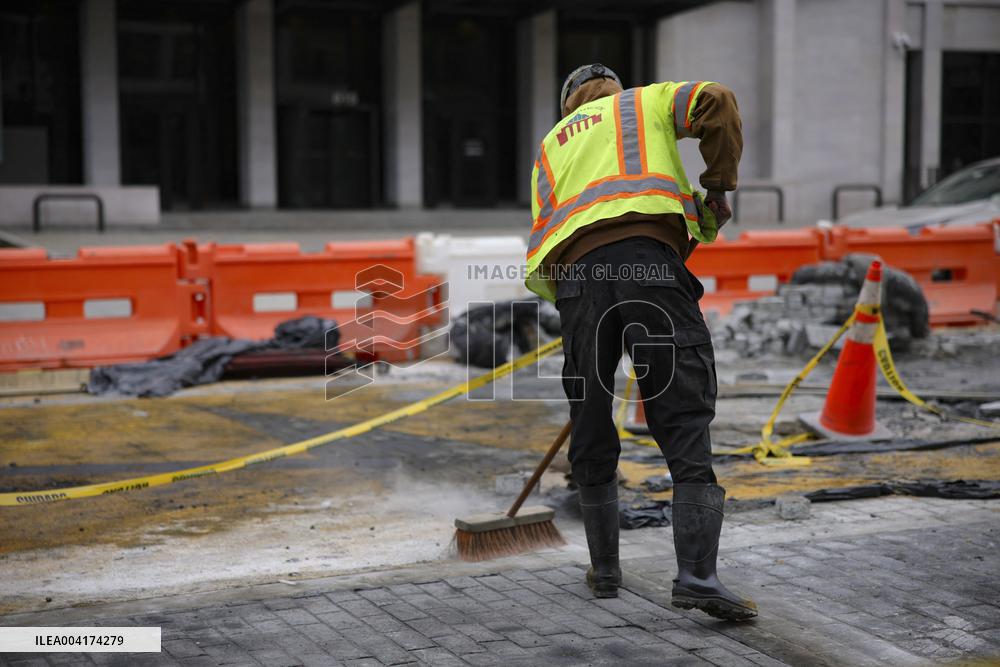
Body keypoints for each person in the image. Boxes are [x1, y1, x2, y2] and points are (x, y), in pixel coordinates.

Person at [525, 64, 757, 620]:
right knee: (681, 404)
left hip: (577, 284)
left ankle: (605, 570)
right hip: (646, 265)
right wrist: (718, 187)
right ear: (611, 87)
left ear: (567, 106)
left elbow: (554, 230)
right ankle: (698, 576)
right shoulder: (644, 104)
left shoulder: (550, 146)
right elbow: (717, 100)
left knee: (590, 415)